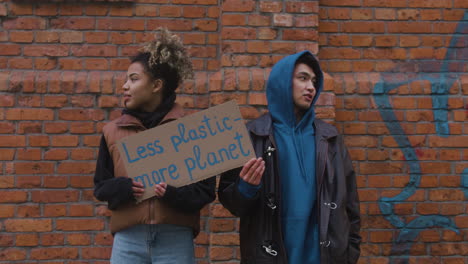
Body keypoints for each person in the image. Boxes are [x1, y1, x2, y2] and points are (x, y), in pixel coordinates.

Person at [218, 51, 361, 263]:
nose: (311, 87)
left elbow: (350, 204)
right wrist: (246, 187)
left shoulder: (330, 139)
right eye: (303, 78)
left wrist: (349, 254)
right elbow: (232, 204)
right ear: (283, 82)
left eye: (314, 81)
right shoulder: (252, 136)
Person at [94, 28, 216, 264]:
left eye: (133, 78)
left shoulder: (191, 131)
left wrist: (172, 194)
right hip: (128, 240)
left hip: (176, 239)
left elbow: (205, 191)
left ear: (156, 85)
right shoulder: (111, 132)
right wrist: (124, 187)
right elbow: (100, 187)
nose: (124, 86)